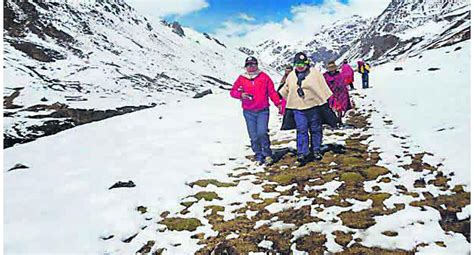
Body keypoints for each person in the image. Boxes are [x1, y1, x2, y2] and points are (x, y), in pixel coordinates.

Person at [278, 52, 333, 166]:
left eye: (302, 63)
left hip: (314, 107)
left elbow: (323, 88)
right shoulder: (292, 76)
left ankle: (316, 150)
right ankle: (302, 153)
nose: (300, 65)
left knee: (315, 129)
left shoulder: (315, 74)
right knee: (301, 129)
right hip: (298, 108)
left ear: (307, 63)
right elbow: (286, 90)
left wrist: (326, 101)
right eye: (297, 63)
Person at [230, 56, 282, 165]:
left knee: (262, 132)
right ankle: (258, 155)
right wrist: (241, 95)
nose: (251, 67)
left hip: (263, 110)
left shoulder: (264, 77)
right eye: (248, 65)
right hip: (248, 111)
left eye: (253, 64)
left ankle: (267, 154)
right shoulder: (241, 78)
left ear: (257, 65)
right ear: (245, 67)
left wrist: (278, 104)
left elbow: (272, 92)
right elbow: (233, 92)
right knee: (253, 135)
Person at [323, 61, 351, 126]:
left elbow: (343, 84)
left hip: (339, 94)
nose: (332, 70)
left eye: (333, 68)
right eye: (330, 68)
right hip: (329, 94)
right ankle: (333, 121)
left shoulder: (339, 75)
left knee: (339, 108)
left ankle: (339, 120)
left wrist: (343, 91)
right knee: (331, 108)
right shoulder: (325, 76)